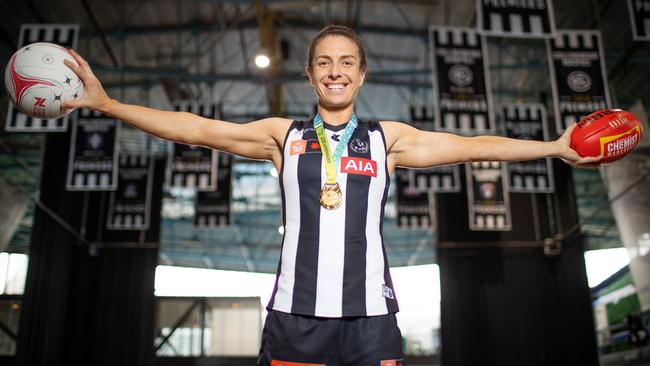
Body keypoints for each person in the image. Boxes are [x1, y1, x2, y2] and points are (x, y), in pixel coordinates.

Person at [63, 24, 600, 366]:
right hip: (296, 320)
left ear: (361, 75)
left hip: (371, 321)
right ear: (311, 75)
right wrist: (108, 105)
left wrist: (553, 146)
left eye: (346, 62)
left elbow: (472, 145)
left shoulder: (388, 139)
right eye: (324, 62)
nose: (335, 70)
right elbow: (195, 129)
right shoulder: (283, 135)